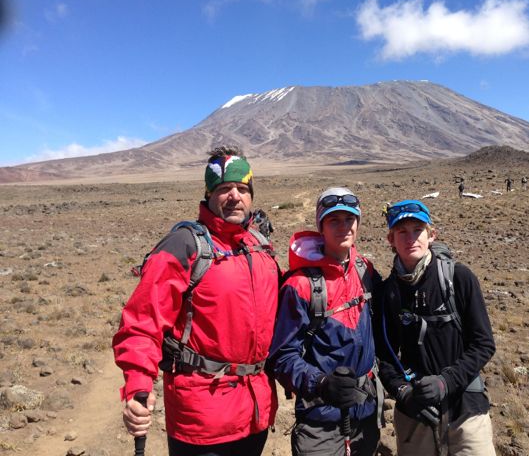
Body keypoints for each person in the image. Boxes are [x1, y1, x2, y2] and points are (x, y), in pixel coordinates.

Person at [112, 146, 279, 456]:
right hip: (202, 421)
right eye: (224, 188)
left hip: (255, 413)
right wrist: (138, 385)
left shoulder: (260, 248)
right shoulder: (185, 245)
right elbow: (142, 323)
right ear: (208, 194)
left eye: (242, 189)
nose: (234, 196)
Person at [374, 199, 496, 456]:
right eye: (402, 232)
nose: (411, 238)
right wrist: (403, 393)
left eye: (418, 230)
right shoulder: (387, 293)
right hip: (415, 413)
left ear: (431, 235)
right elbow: (384, 356)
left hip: (466, 410)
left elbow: (483, 344)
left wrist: (445, 382)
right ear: (390, 239)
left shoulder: (459, 278)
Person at [268, 187, 382, 456]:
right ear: (321, 227)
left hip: (366, 412)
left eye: (349, 219)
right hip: (320, 419)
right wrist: (321, 383)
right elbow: (281, 357)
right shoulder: (300, 285)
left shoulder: (365, 271)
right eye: (334, 220)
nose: (343, 227)